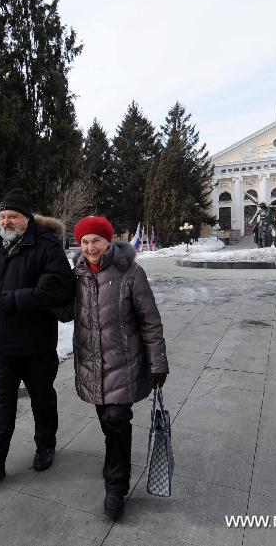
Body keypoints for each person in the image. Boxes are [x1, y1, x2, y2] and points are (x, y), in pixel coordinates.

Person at [0, 189, 74, 480]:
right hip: (1, 344)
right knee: (2, 403)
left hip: (36, 343)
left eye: (13, 216)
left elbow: (61, 288)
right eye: (2, 216)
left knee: (42, 399)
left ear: (27, 218)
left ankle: (45, 445)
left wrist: (17, 299)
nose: (7, 221)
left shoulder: (47, 246)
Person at [68, 216, 169, 520]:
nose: (90, 247)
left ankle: (116, 486)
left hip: (123, 362)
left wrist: (158, 362)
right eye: (84, 242)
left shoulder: (130, 273)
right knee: (107, 420)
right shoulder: (77, 275)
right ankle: (116, 463)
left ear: (108, 241)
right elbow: (63, 312)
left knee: (116, 418)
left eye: (96, 240)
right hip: (91, 362)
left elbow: (150, 320)